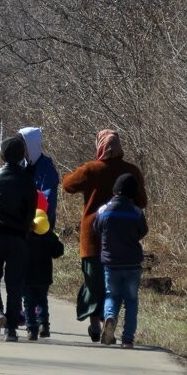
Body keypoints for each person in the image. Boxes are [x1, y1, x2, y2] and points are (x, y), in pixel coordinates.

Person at [62, 129, 147, 342]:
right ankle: (112, 322)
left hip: (92, 238)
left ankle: (95, 323)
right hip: (123, 240)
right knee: (115, 287)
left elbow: (67, 185)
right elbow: (143, 201)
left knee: (93, 282)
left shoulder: (91, 169)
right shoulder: (132, 171)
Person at [0, 136, 37, 341]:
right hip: (18, 237)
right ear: (22, 154)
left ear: (2, 155)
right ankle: (11, 330)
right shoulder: (27, 180)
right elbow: (32, 211)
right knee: (15, 283)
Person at [92, 173, 148, 348]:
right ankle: (127, 339)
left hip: (111, 262)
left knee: (111, 295)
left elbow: (96, 228)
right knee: (131, 300)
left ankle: (109, 317)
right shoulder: (136, 212)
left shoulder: (104, 210)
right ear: (133, 193)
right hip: (132, 263)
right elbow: (143, 232)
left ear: (115, 190)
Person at [24, 228, 65, 340]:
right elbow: (59, 251)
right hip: (44, 276)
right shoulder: (49, 235)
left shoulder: (26, 234)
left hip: (27, 275)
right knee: (42, 301)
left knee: (29, 303)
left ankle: (31, 329)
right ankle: (43, 325)